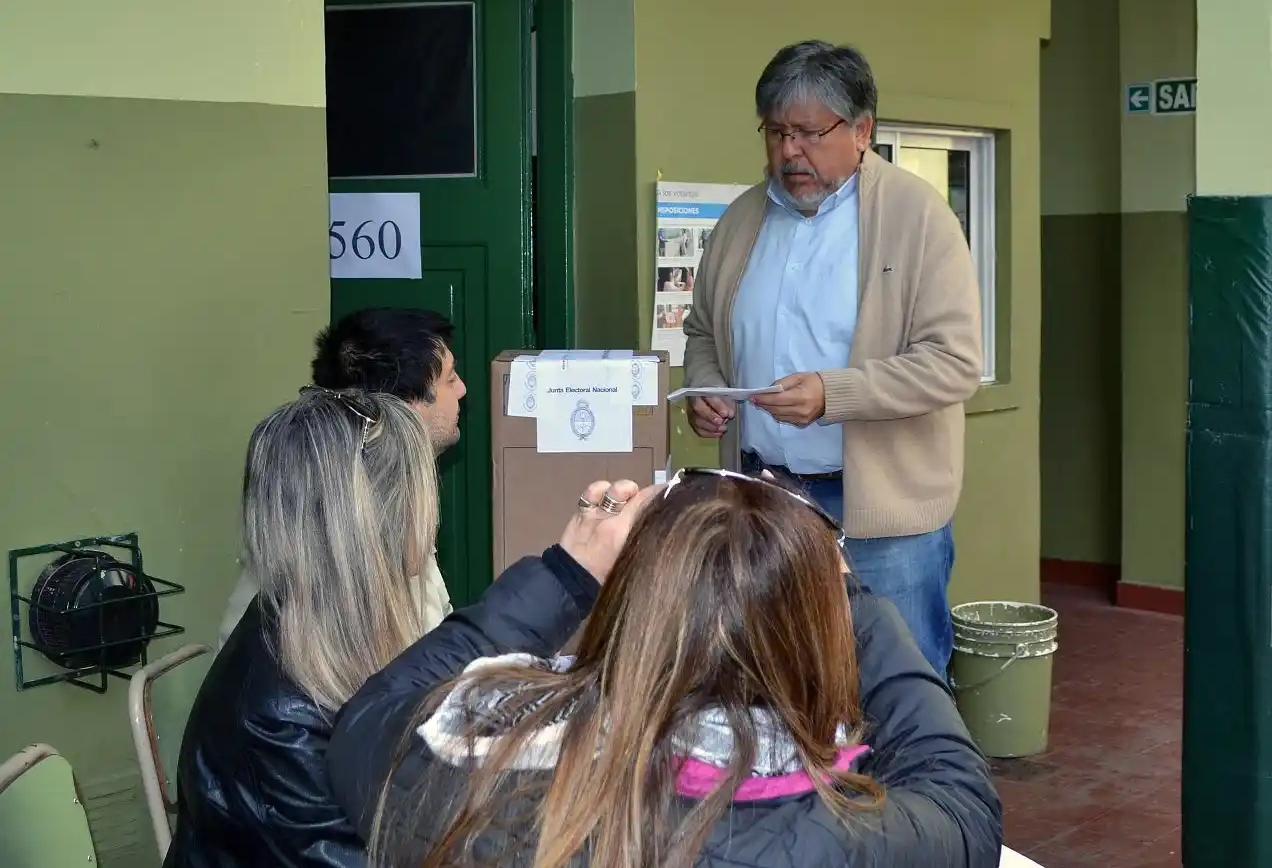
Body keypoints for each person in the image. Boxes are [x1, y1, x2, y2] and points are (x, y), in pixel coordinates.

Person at [326, 469, 1002, 868]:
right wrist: (844, 597)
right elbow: (958, 795)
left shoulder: (474, 779)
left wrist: (567, 574)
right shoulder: (846, 839)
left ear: (632, 605)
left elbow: (370, 721)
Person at [166, 382, 649, 868]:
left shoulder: (316, 626)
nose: (432, 512)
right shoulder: (281, 718)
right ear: (380, 516)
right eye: (425, 487)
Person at [681, 40, 983, 677]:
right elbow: (704, 331)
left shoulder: (918, 216)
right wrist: (707, 387)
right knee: (776, 687)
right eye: (776, 132)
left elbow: (953, 361)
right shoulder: (741, 220)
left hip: (882, 522)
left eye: (810, 133)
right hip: (763, 501)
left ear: (862, 131)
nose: (790, 151)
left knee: (895, 690)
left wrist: (831, 394)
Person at [215, 307, 467, 650]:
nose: (462, 389)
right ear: (405, 406)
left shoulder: (363, 488)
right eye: (450, 379)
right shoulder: (347, 517)